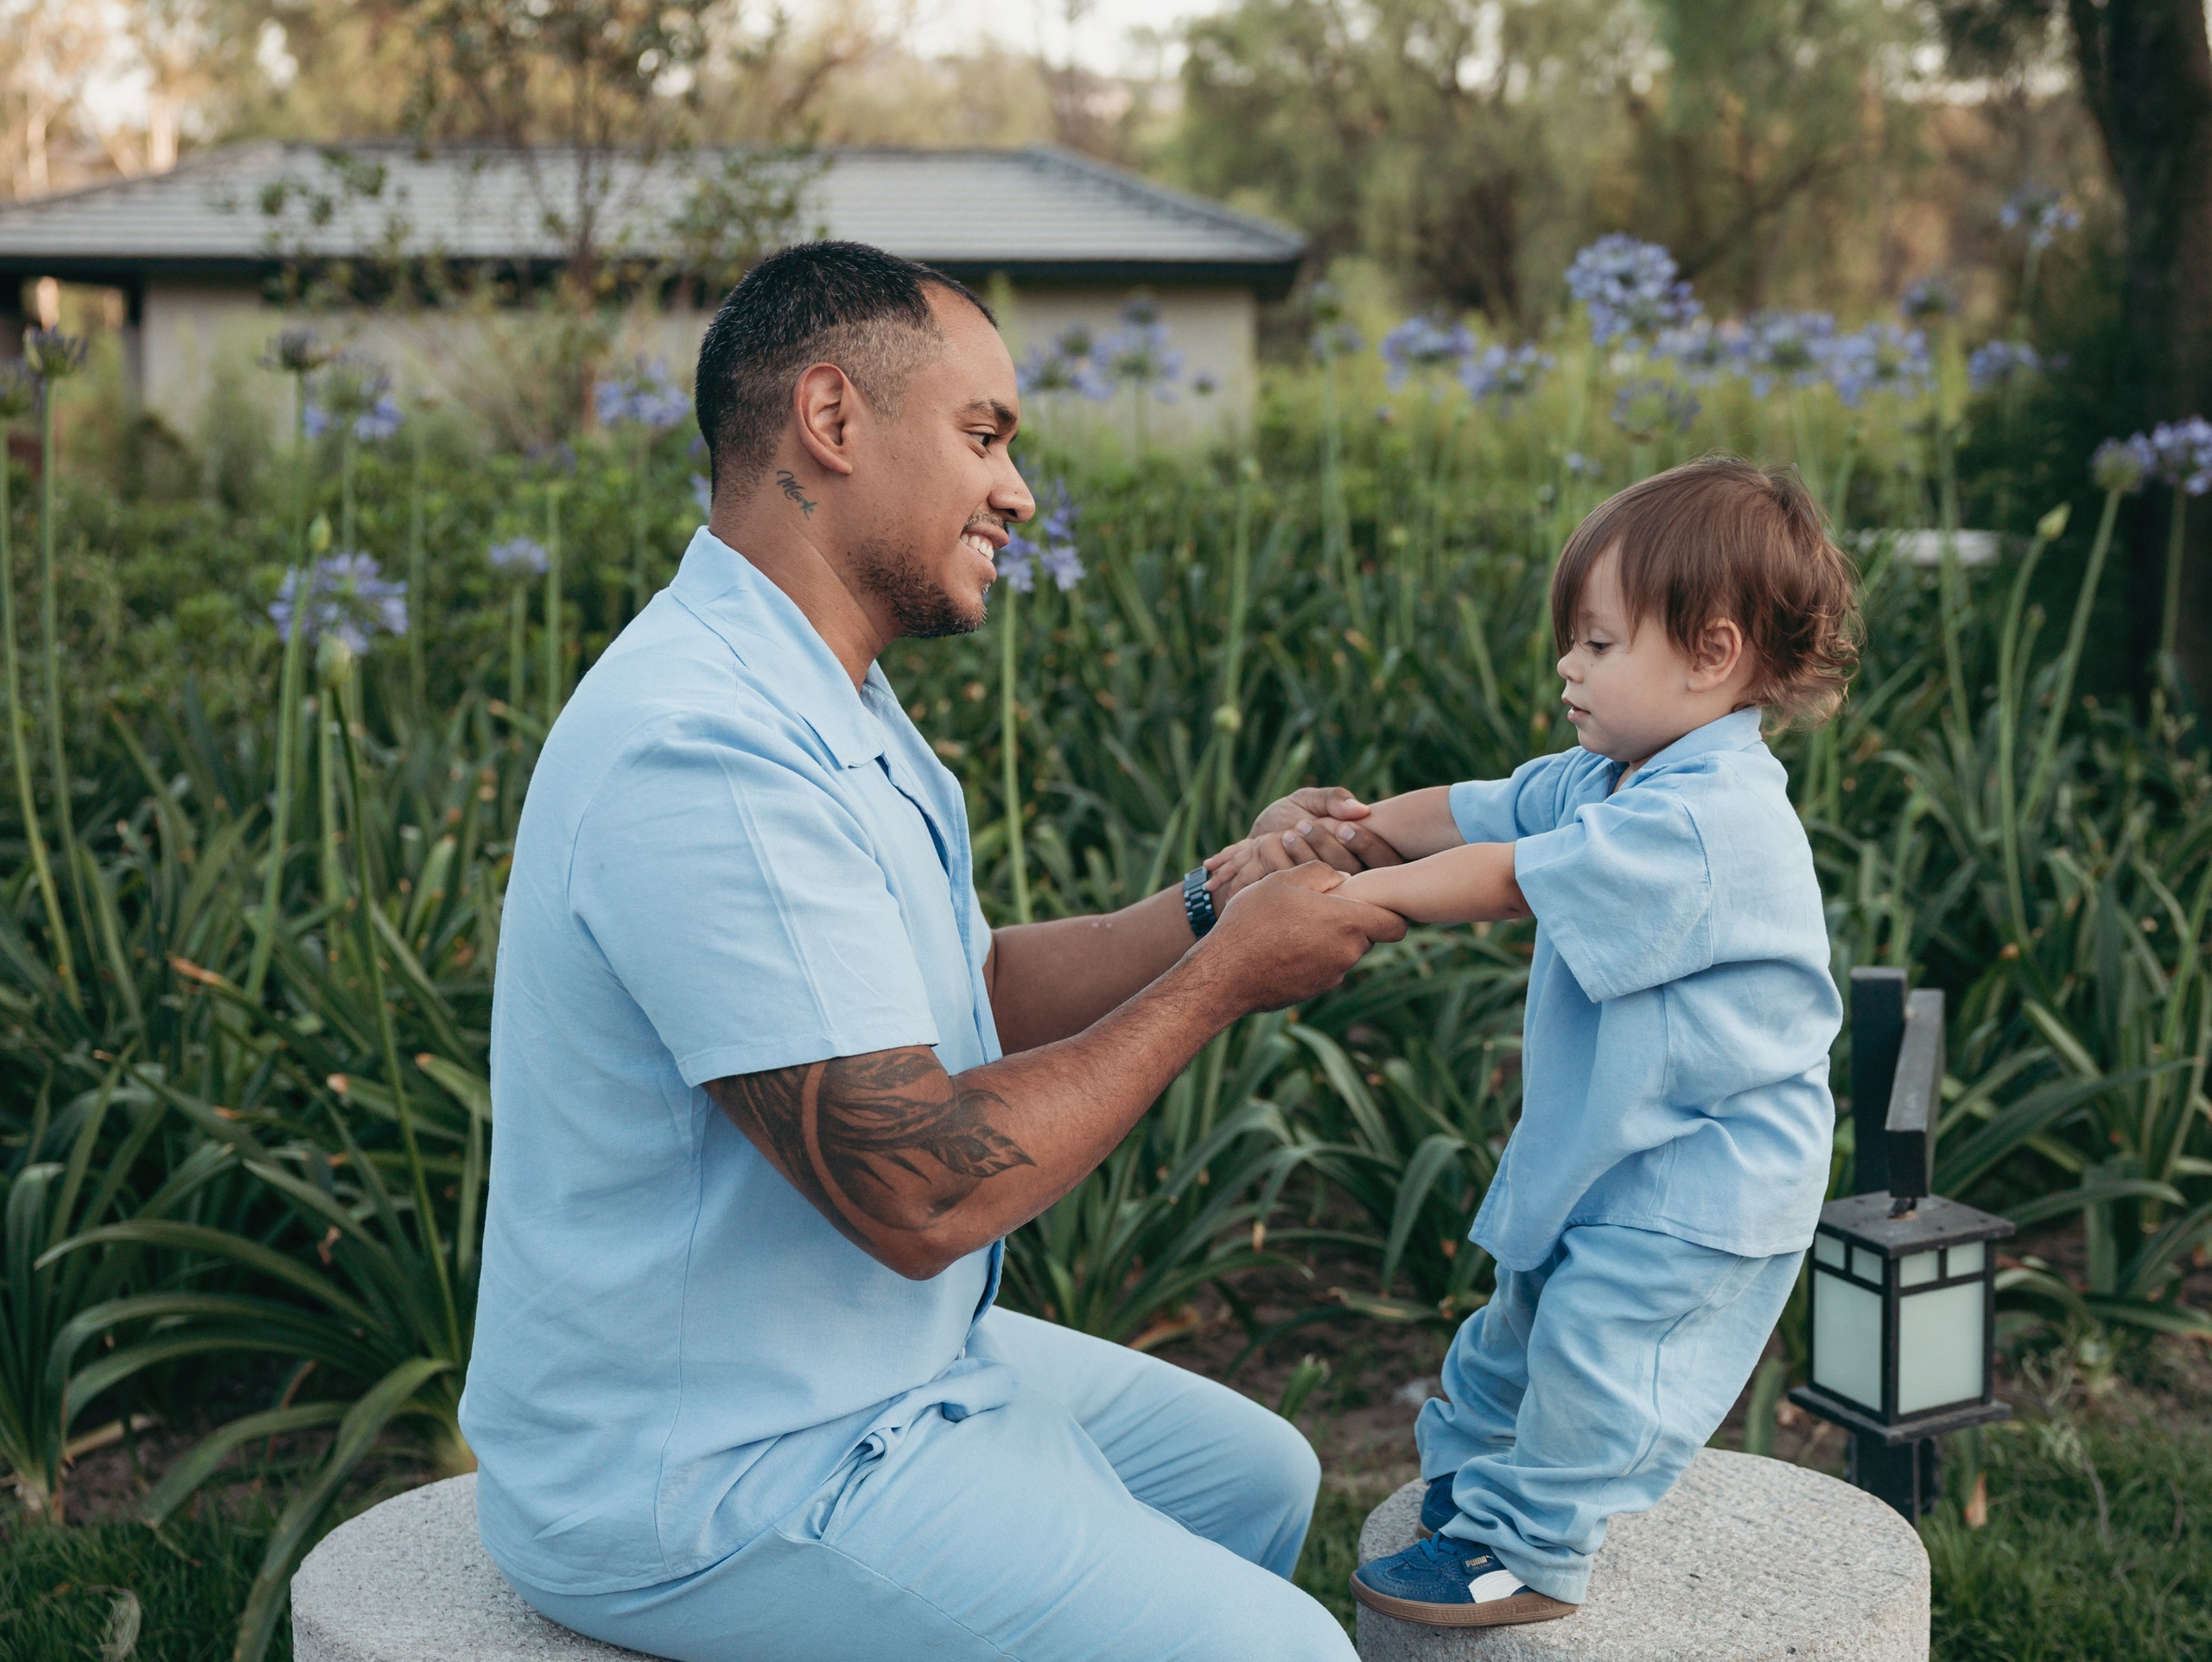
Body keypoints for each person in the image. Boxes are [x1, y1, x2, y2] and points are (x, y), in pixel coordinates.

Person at [458, 240, 1409, 1662]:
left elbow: (974, 995)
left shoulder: (831, 694)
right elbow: (912, 1187)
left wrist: (1217, 900)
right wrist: (1228, 981)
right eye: (985, 437)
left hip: (881, 1367)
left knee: (1258, 1478)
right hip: (719, 1466)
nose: (1018, 490)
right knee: (1291, 1653)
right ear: (832, 422)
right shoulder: (701, 747)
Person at [1210, 458, 1858, 1628]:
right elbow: (1476, 810)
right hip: (1619, 1156)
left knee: (1596, 1362)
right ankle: (1469, 1498)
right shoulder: (1617, 774)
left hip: (1701, 1179)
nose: (1569, 665)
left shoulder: (1711, 819)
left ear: (1710, 653)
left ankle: (1532, 1552)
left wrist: (1369, 903)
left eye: (1599, 644)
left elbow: (1505, 875)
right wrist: (1345, 832)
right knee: (1506, 1344)